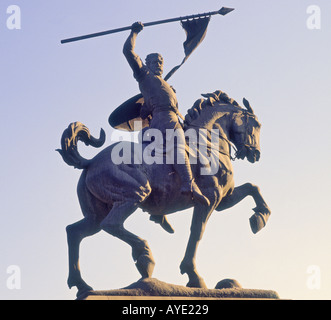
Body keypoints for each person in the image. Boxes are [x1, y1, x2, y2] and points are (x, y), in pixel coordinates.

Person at [123, 22, 210, 230]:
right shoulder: (144, 76)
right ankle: (189, 184)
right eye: (155, 61)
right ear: (147, 64)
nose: (159, 64)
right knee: (178, 142)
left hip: (171, 119)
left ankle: (160, 209)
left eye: (161, 61)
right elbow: (128, 51)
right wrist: (134, 32)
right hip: (164, 122)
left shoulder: (167, 86)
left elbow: (146, 110)